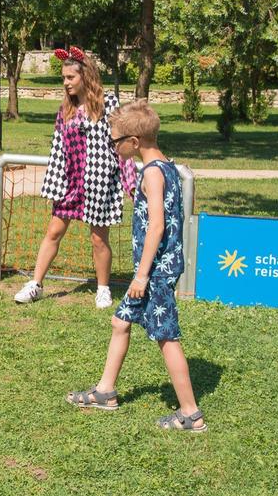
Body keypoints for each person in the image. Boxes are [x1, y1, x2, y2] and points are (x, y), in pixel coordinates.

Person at [65, 100, 206, 432]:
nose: (113, 147)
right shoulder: (166, 167)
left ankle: (190, 413)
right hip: (157, 267)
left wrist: (141, 275)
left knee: (166, 337)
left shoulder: (153, 174)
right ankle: (105, 392)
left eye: (115, 141)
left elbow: (157, 226)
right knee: (120, 322)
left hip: (154, 272)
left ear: (134, 142)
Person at [14, 46, 136, 308]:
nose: (66, 83)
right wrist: (55, 183)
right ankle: (35, 284)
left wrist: (130, 182)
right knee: (53, 231)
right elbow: (58, 147)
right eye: (63, 78)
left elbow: (123, 145)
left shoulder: (109, 105)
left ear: (86, 76)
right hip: (70, 182)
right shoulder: (65, 110)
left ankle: (103, 288)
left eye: (70, 77)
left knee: (98, 237)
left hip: (98, 182)